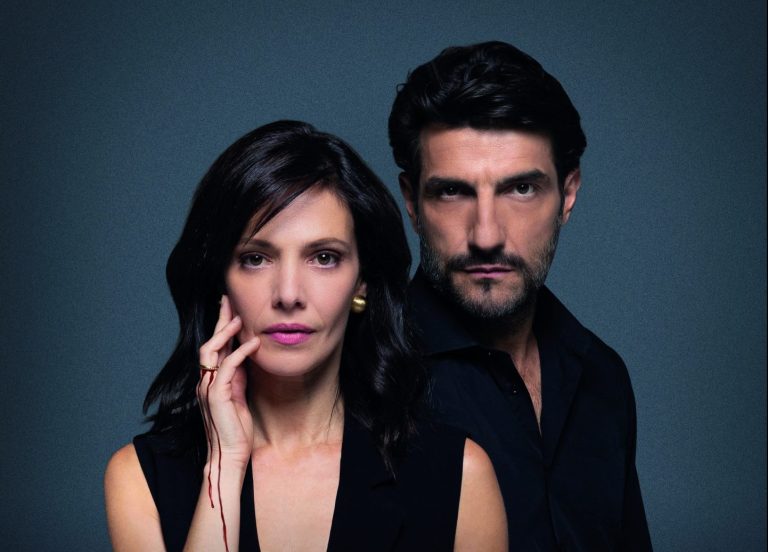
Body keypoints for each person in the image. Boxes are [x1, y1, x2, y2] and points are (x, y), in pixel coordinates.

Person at [104, 121, 506, 551]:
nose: (289, 294)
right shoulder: (140, 478)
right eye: (256, 258)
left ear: (362, 283)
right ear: (220, 279)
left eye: (324, 257)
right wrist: (223, 466)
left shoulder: (458, 477)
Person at [388, 41, 652, 551]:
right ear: (412, 203)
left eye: (520, 189)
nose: (486, 235)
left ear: (567, 195)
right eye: (453, 191)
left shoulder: (602, 377)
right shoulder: (366, 376)